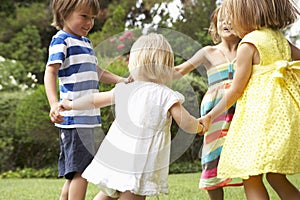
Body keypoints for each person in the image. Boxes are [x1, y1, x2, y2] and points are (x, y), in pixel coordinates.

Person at [59, 33, 204, 200]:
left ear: (134, 63)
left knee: (109, 194)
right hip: (139, 163)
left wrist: (71, 104)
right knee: (132, 193)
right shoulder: (166, 96)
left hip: (117, 156)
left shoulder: (125, 89)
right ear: (167, 66)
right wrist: (199, 127)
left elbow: (95, 100)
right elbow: (186, 124)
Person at [200, 0, 300, 199]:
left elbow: (235, 90)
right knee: (275, 176)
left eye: (232, 16)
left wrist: (211, 115)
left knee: (251, 176)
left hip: (259, 119)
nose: (230, 22)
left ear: (245, 15)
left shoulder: (248, 45)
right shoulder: (280, 39)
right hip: (283, 116)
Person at [44, 0, 128, 199]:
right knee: (82, 171)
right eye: (84, 16)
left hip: (89, 118)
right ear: (64, 14)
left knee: (75, 171)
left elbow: (96, 72)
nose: (89, 23)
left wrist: (122, 81)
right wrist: (54, 103)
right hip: (74, 118)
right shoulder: (61, 40)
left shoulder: (85, 42)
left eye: (92, 18)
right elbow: (50, 71)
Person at [174, 6, 242, 200]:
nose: (226, 22)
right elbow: (179, 70)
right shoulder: (208, 52)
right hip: (215, 113)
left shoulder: (248, 49)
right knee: (212, 157)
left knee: (246, 156)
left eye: (232, 18)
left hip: (242, 110)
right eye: (222, 19)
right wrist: (151, 72)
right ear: (214, 27)